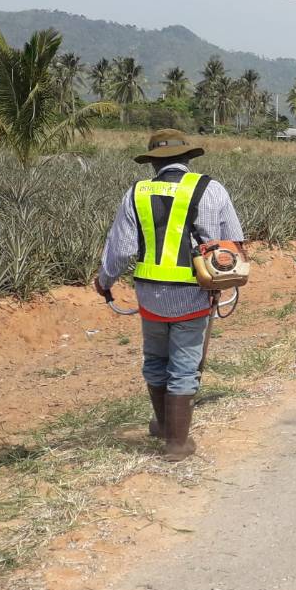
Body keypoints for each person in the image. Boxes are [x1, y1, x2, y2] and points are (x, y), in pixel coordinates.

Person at [95, 129, 245, 459]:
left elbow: (120, 250)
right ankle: (177, 443)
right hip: (194, 293)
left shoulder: (136, 193)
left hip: (149, 296)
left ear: (153, 163)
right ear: (188, 158)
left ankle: (165, 426)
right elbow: (234, 242)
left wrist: (104, 281)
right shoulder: (211, 189)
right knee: (185, 365)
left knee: (156, 360)